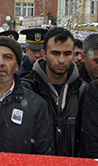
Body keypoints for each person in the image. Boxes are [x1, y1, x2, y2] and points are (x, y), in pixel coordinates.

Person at [21, 27, 86, 157]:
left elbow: (87, 139)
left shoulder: (83, 90)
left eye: (67, 53)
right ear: (44, 54)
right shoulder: (26, 88)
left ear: (73, 54)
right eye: (55, 53)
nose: (61, 60)